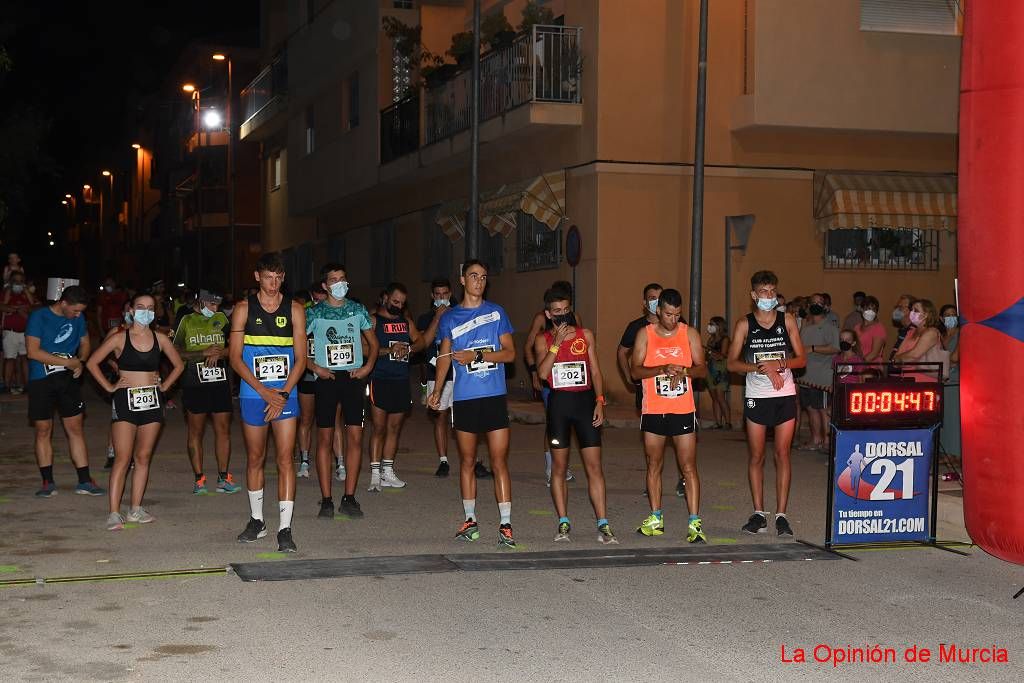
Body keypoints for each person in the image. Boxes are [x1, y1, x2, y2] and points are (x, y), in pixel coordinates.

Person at [429, 260, 517, 547]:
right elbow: (444, 359)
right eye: (473, 276)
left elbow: (509, 354)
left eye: (483, 277)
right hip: (465, 398)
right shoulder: (450, 318)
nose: (479, 281)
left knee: (498, 461)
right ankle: (470, 520)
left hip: (493, 395)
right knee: (467, 461)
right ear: (462, 280)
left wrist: (477, 357)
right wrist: (437, 391)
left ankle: (505, 524)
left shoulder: (496, 312)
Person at [229, 253, 307, 552]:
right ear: (257, 277)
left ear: (283, 278)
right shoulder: (242, 309)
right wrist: (264, 392)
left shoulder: (296, 310)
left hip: (285, 393)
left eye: (278, 277)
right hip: (254, 393)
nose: (273, 283)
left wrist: (284, 393)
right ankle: (257, 521)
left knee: (286, 459)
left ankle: (285, 528)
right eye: (268, 277)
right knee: (255, 458)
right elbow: (235, 358)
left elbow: (301, 359)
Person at [87, 294, 184, 530]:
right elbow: (92, 362)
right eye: (141, 307)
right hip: (124, 401)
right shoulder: (120, 338)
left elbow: (179, 365)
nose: (146, 311)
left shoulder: (161, 339)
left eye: (150, 308)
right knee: (122, 458)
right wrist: (110, 387)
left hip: (151, 402)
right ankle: (113, 512)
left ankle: (136, 509)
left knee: (143, 457)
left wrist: (164, 386)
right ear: (131, 309)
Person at [726, 270, 807, 536]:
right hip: (757, 396)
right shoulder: (744, 324)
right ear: (753, 295)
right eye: (763, 292)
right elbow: (731, 363)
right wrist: (758, 368)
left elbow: (801, 360)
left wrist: (778, 364)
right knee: (757, 456)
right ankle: (759, 512)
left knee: (782, 454)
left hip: (784, 395)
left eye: (772, 291)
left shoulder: (788, 321)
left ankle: (782, 514)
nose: (768, 296)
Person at [534, 287, 617, 544]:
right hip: (559, 405)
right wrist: (557, 344)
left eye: (566, 310)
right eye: (557, 312)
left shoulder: (585, 335)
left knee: (594, 467)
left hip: (584, 403)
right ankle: (563, 521)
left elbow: (595, 371)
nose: (562, 316)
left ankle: (603, 523)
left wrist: (600, 401)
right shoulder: (543, 340)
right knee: (559, 467)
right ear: (548, 314)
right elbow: (543, 374)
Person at [630, 288, 708, 543]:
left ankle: (695, 522)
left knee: (689, 466)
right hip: (654, 408)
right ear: (657, 311)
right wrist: (662, 368)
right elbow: (635, 371)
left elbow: (702, 369)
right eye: (667, 314)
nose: (672, 320)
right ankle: (655, 518)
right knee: (654, 464)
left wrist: (685, 371)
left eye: (677, 315)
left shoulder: (690, 334)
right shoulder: (645, 334)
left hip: (682, 409)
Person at [305, 263, 378, 519]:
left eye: (342, 279)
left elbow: (373, 343)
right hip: (326, 379)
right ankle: (326, 499)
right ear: (325, 286)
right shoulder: (314, 313)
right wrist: (315, 367)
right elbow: (297, 347)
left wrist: (366, 367)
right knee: (324, 439)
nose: (339, 283)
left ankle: (349, 497)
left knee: (355, 437)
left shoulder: (357, 310)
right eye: (333, 280)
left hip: (352, 379)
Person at [26, 285, 105, 498]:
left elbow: (85, 343)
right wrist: (66, 362)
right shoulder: (39, 317)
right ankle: (47, 481)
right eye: (75, 311)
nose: (78, 315)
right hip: (41, 379)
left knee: (75, 428)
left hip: (67, 380)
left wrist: (80, 361)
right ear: (63, 303)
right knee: (43, 429)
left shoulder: (78, 319)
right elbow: (33, 352)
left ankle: (85, 480)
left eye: (81, 311)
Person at [618, 283, 686, 497]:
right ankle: (653, 480)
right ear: (646, 303)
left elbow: (689, 355)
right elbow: (622, 352)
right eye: (652, 297)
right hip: (649, 390)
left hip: (678, 394)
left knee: (680, 441)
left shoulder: (680, 324)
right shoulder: (637, 328)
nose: (656, 300)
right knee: (653, 442)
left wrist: (684, 371)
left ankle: (683, 478)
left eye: (659, 297)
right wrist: (629, 376)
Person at [172, 289, 239, 495]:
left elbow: (236, 348)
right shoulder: (186, 320)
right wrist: (202, 352)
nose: (216, 309)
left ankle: (223, 477)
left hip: (219, 381)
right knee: (196, 431)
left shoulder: (222, 320)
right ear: (201, 302)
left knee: (223, 430)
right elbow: (174, 351)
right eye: (212, 305)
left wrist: (221, 352)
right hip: (194, 382)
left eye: (218, 305)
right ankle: (199, 479)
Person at [365, 282, 428, 491]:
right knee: (379, 428)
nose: (398, 306)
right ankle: (375, 474)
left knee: (394, 428)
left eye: (401, 303)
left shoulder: (406, 322)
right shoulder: (373, 321)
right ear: (385, 298)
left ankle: (388, 471)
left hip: (400, 380)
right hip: (379, 379)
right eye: (394, 301)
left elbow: (421, 342)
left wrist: (409, 348)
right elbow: (364, 349)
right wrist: (389, 350)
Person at [524, 280, 581, 485]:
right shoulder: (541, 319)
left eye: (566, 307)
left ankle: (562, 465)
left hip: (571, 379)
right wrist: (533, 371)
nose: (563, 312)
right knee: (553, 422)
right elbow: (528, 346)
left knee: (572, 424)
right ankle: (552, 467)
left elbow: (580, 345)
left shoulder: (575, 319)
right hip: (550, 379)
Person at [415, 279, 453, 477]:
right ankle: (443, 460)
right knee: (440, 416)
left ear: (451, 293)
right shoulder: (424, 318)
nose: (441, 298)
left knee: (466, 417)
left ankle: (474, 460)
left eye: (445, 294)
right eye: (437, 294)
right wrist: (437, 318)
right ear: (432, 296)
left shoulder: (459, 312)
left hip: (460, 372)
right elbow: (423, 342)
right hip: (435, 373)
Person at [796, 293, 840, 452]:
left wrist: (813, 349)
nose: (816, 305)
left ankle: (828, 442)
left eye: (819, 302)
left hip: (822, 377)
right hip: (806, 376)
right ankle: (816, 440)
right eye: (813, 302)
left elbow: (835, 348)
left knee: (823, 410)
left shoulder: (831, 327)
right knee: (810, 409)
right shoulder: (806, 329)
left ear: (825, 306)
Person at [893, 298, 946, 382]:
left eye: (916, 310)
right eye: (912, 310)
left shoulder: (931, 332)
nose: (912, 313)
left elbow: (914, 355)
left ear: (926, 314)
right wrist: (900, 359)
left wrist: (901, 359)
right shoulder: (910, 332)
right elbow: (895, 357)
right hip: (907, 380)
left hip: (925, 382)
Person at [1, 271, 37, 394]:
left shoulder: (27, 293)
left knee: (25, 359)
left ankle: (27, 386)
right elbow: (3, 306)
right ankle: (7, 386)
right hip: (10, 332)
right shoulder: (6, 293)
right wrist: (19, 308)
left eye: (20, 280)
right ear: (11, 282)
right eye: (15, 280)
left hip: (26, 332)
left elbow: (33, 306)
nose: (18, 283)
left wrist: (26, 291)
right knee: (9, 359)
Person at [939, 304, 961, 456]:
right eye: (947, 315)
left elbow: (955, 357)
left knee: (954, 419)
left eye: (953, 314)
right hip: (941, 382)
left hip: (955, 381)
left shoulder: (961, 334)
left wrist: (944, 361)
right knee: (944, 421)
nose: (950, 317)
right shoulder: (940, 337)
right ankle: (944, 454)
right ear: (941, 318)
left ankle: (956, 454)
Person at [703, 315, 730, 429]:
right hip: (711, 369)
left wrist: (709, 352)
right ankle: (718, 422)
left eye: (712, 324)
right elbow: (707, 356)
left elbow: (722, 355)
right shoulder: (711, 339)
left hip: (721, 370)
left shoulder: (725, 339)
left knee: (720, 397)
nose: (709, 326)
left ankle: (728, 422)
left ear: (719, 326)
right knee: (714, 397)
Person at [854, 295, 886, 363]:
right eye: (867, 308)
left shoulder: (878, 328)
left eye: (873, 309)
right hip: (858, 366)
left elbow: (874, 353)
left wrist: (860, 365)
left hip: (872, 368)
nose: (870, 311)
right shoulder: (856, 327)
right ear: (862, 309)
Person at [888, 294, 914, 361]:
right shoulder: (903, 330)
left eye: (900, 307)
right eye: (897, 307)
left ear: (910, 310)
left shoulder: (913, 331)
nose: (897, 310)